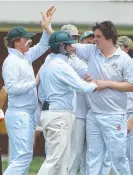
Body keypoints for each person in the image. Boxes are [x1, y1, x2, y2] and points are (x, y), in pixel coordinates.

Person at [72, 20, 133, 175]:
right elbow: (68, 45)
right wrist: (48, 29)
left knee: (118, 158)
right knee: (93, 158)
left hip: (114, 116)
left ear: (109, 38)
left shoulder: (125, 59)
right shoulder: (92, 51)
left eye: (98, 37)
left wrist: (107, 83)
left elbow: (131, 85)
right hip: (93, 114)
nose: (95, 40)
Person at [2, 6, 56, 175]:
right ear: (17, 41)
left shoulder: (24, 56)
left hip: (25, 114)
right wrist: (35, 82)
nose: (29, 41)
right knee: (24, 157)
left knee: (19, 158)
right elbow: (11, 89)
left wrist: (46, 26)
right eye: (26, 39)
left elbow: (43, 45)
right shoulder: (11, 62)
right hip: (19, 114)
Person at [37, 30, 98, 175]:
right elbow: (82, 86)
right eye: (70, 45)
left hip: (51, 113)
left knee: (63, 162)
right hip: (59, 116)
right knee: (55, 160)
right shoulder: (62, 66)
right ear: (62, 46)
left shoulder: (48, 63)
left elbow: (41, 94)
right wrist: (95, 84)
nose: (73, 48)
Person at [61, 24, 89, 175]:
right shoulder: (66, 61)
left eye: (75, 38)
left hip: (87, 114)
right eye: (71, 39)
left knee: (85, 157)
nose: (74, 42)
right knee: (73, 156)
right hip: (74, 113)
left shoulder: (79, 59)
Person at [117, 36, 133, 175]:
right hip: (118, 115)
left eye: (120, 47)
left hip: (130, 116)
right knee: (119, 157)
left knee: (130, 156)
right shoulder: (118, 66)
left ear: (127, 48)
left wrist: (131, 122)